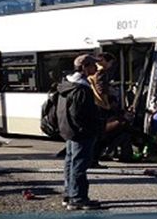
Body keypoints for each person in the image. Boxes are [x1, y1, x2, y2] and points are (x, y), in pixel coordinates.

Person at [57, 54, 102, 210]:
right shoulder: (81, 87)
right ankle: (78, 199)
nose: (97, 68)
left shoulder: (67, 84)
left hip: (69, 130)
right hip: (81, 133)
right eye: (93, 65)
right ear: (84, 67)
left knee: (70, 163)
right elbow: (79, 114)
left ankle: (69, 195)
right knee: (79, 165)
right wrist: (90, 128)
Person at [88, 52, 117, 167]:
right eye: (110, 62)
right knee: (100, 135)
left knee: (96, 135)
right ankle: (94, 160)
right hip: (101, 105)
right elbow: (101, 90)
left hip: (94, 105)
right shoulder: (101, 74)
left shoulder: (92, 73)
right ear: (104, 61)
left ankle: (92, 159)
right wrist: (109, 101)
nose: (111, 65)